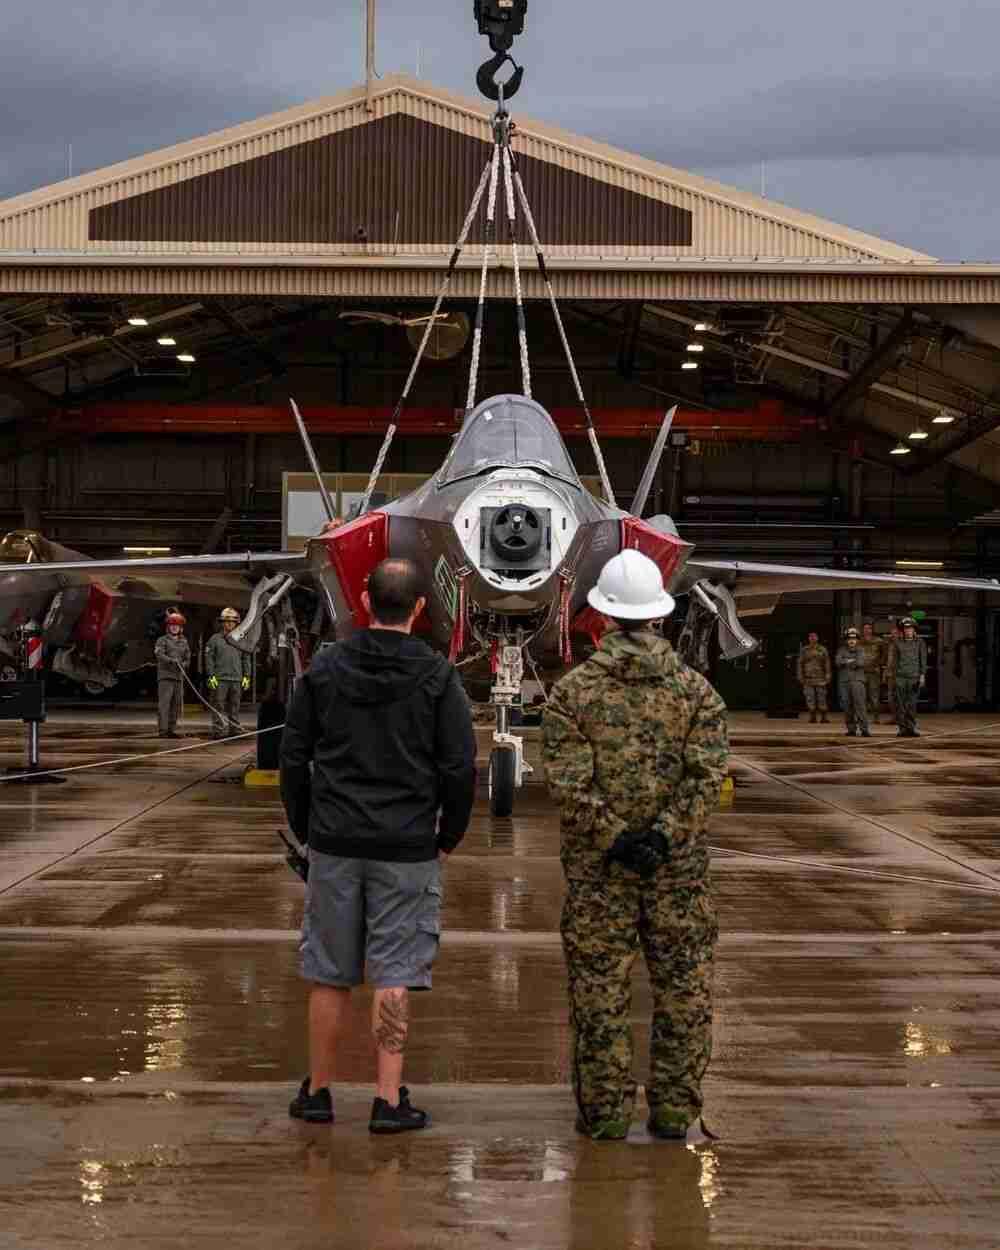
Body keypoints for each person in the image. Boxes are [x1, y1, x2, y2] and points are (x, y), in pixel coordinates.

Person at [280, 557, 476, 1131]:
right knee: (394, 972)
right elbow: (460, 768)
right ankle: (388, 1101)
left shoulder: (324, 668)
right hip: (407, 847)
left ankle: (317, 1092)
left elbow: (294, 757)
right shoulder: (439, 679)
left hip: (335, 841)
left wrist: (308, 827)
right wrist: (448, 836)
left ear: (366, 603)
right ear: (420, 609)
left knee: (329, 971)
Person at [542, 550, 729, 1143]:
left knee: (600, 997)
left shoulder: (571, 695)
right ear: (658, 617)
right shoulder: (699, 695)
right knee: (684, 994)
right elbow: (706, 781)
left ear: (600, 616)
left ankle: (605, 1115)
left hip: (601, 876)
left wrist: (616, 838)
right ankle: (674, 1115)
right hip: (679, 876)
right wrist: (664, 837)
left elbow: (569, 783)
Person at [205, 607, 251, 739]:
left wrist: (247, 677)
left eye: (232, 621)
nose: (230, 623)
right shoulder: (214, 639)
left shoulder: (241, 639)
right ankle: (219, 731)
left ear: (237, 623)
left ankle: (234, 729)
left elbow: (246, 658)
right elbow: (209, 658)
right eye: (227, 621)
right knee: (218, 705)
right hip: (220, 679)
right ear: (222, 622)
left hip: (236, 679)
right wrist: (211, 675)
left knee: (235, 706)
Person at [887, 617, 927, 737]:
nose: (908, 630)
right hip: (900, 677)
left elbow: (923, 660)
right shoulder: (897, 642)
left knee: (912, 704)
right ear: (903, 630)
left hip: (914, 677)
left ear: (914, 629)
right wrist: (893, 677)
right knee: (900, 704)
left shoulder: (920, 642)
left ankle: (911, 728)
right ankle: (902, 729)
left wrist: (922, 676)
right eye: (906, 628)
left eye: (910, 628)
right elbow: (894, 661)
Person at [154, 610, 190, 738]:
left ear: (181, 628)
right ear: (168, 627)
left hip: (178, 677)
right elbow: (159, 655)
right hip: (166, 677)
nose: (175, 627)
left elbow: (187, 657)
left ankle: (171, 729)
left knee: (176, 705)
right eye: (172, 625)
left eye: (177, 625)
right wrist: (172, 661)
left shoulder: (184, 642)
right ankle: (163, 730)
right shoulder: (162, 640)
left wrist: (184, 664)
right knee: (165, 704)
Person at [835, 626, 869, 737]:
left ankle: (864, 729)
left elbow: (860, 663)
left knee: (860, 706)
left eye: (854, 639)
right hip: (845, 682)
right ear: (846, 640)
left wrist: (846, 661)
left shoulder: (861, 650)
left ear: (857, 640)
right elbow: (837, 662)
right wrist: (850, 661)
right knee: (847, 706)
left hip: (857, 682)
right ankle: (851, 729)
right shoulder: (841, 650)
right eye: (849, 639)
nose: (852, 641)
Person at [796, 630, 831, 723]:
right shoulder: (804, 650)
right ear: (808, 638)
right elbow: (800, 663)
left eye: (814, 636)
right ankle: (812, 716)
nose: (812, 638)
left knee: (821, 697)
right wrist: (800, 675)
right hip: (808, 678)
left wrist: (828, 674)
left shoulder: (823, 649)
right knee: (810, 697)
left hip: (820, 678)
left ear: (817, 638)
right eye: (810, 636)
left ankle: (824, 716)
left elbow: (827, 663)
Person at [859, 622, 885, 724]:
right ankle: (862, 718)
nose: (867, 630)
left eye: (869, 628)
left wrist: (879, 664)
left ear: (872, 630)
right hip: (861, 672)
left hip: (874, 672)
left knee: (874, 696)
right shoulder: (858, 642)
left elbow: (884, 654)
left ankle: (876, 717)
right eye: (865, 628)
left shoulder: (879, 641)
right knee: (861, 696)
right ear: (862, 630)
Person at [885, 623, 902, 723]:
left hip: (900, 675)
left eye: (895, 633)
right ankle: (894, 717)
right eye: (892, 634)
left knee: (900, 697)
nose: (893, 635)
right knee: (891, 697)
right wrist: (886, 673)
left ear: (899, 634)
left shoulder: (903, 645)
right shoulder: (890, 645)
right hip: (891, 675)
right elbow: (889, 660)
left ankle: (901, 718)